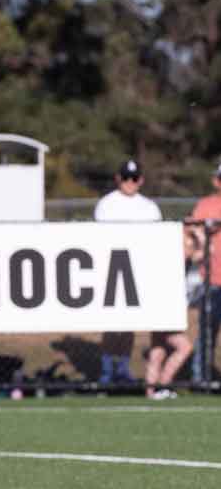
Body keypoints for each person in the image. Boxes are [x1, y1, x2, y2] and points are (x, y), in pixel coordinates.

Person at [94, 160, 162, 385]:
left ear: (141, 180)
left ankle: (122, 368)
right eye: (125, 178)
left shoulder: (149, 208)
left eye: (134, 178)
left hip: (138, 271)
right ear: (118, 179)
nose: (129, 183)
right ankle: (106, 370)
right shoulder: (106, 205)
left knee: (129, 324)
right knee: (111, 324)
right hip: (112, 269)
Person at [188, 162, 221, 381]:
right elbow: (193, 229)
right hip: (212, 281)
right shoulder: (205, 205)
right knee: (207, 332)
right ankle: (201, 378)